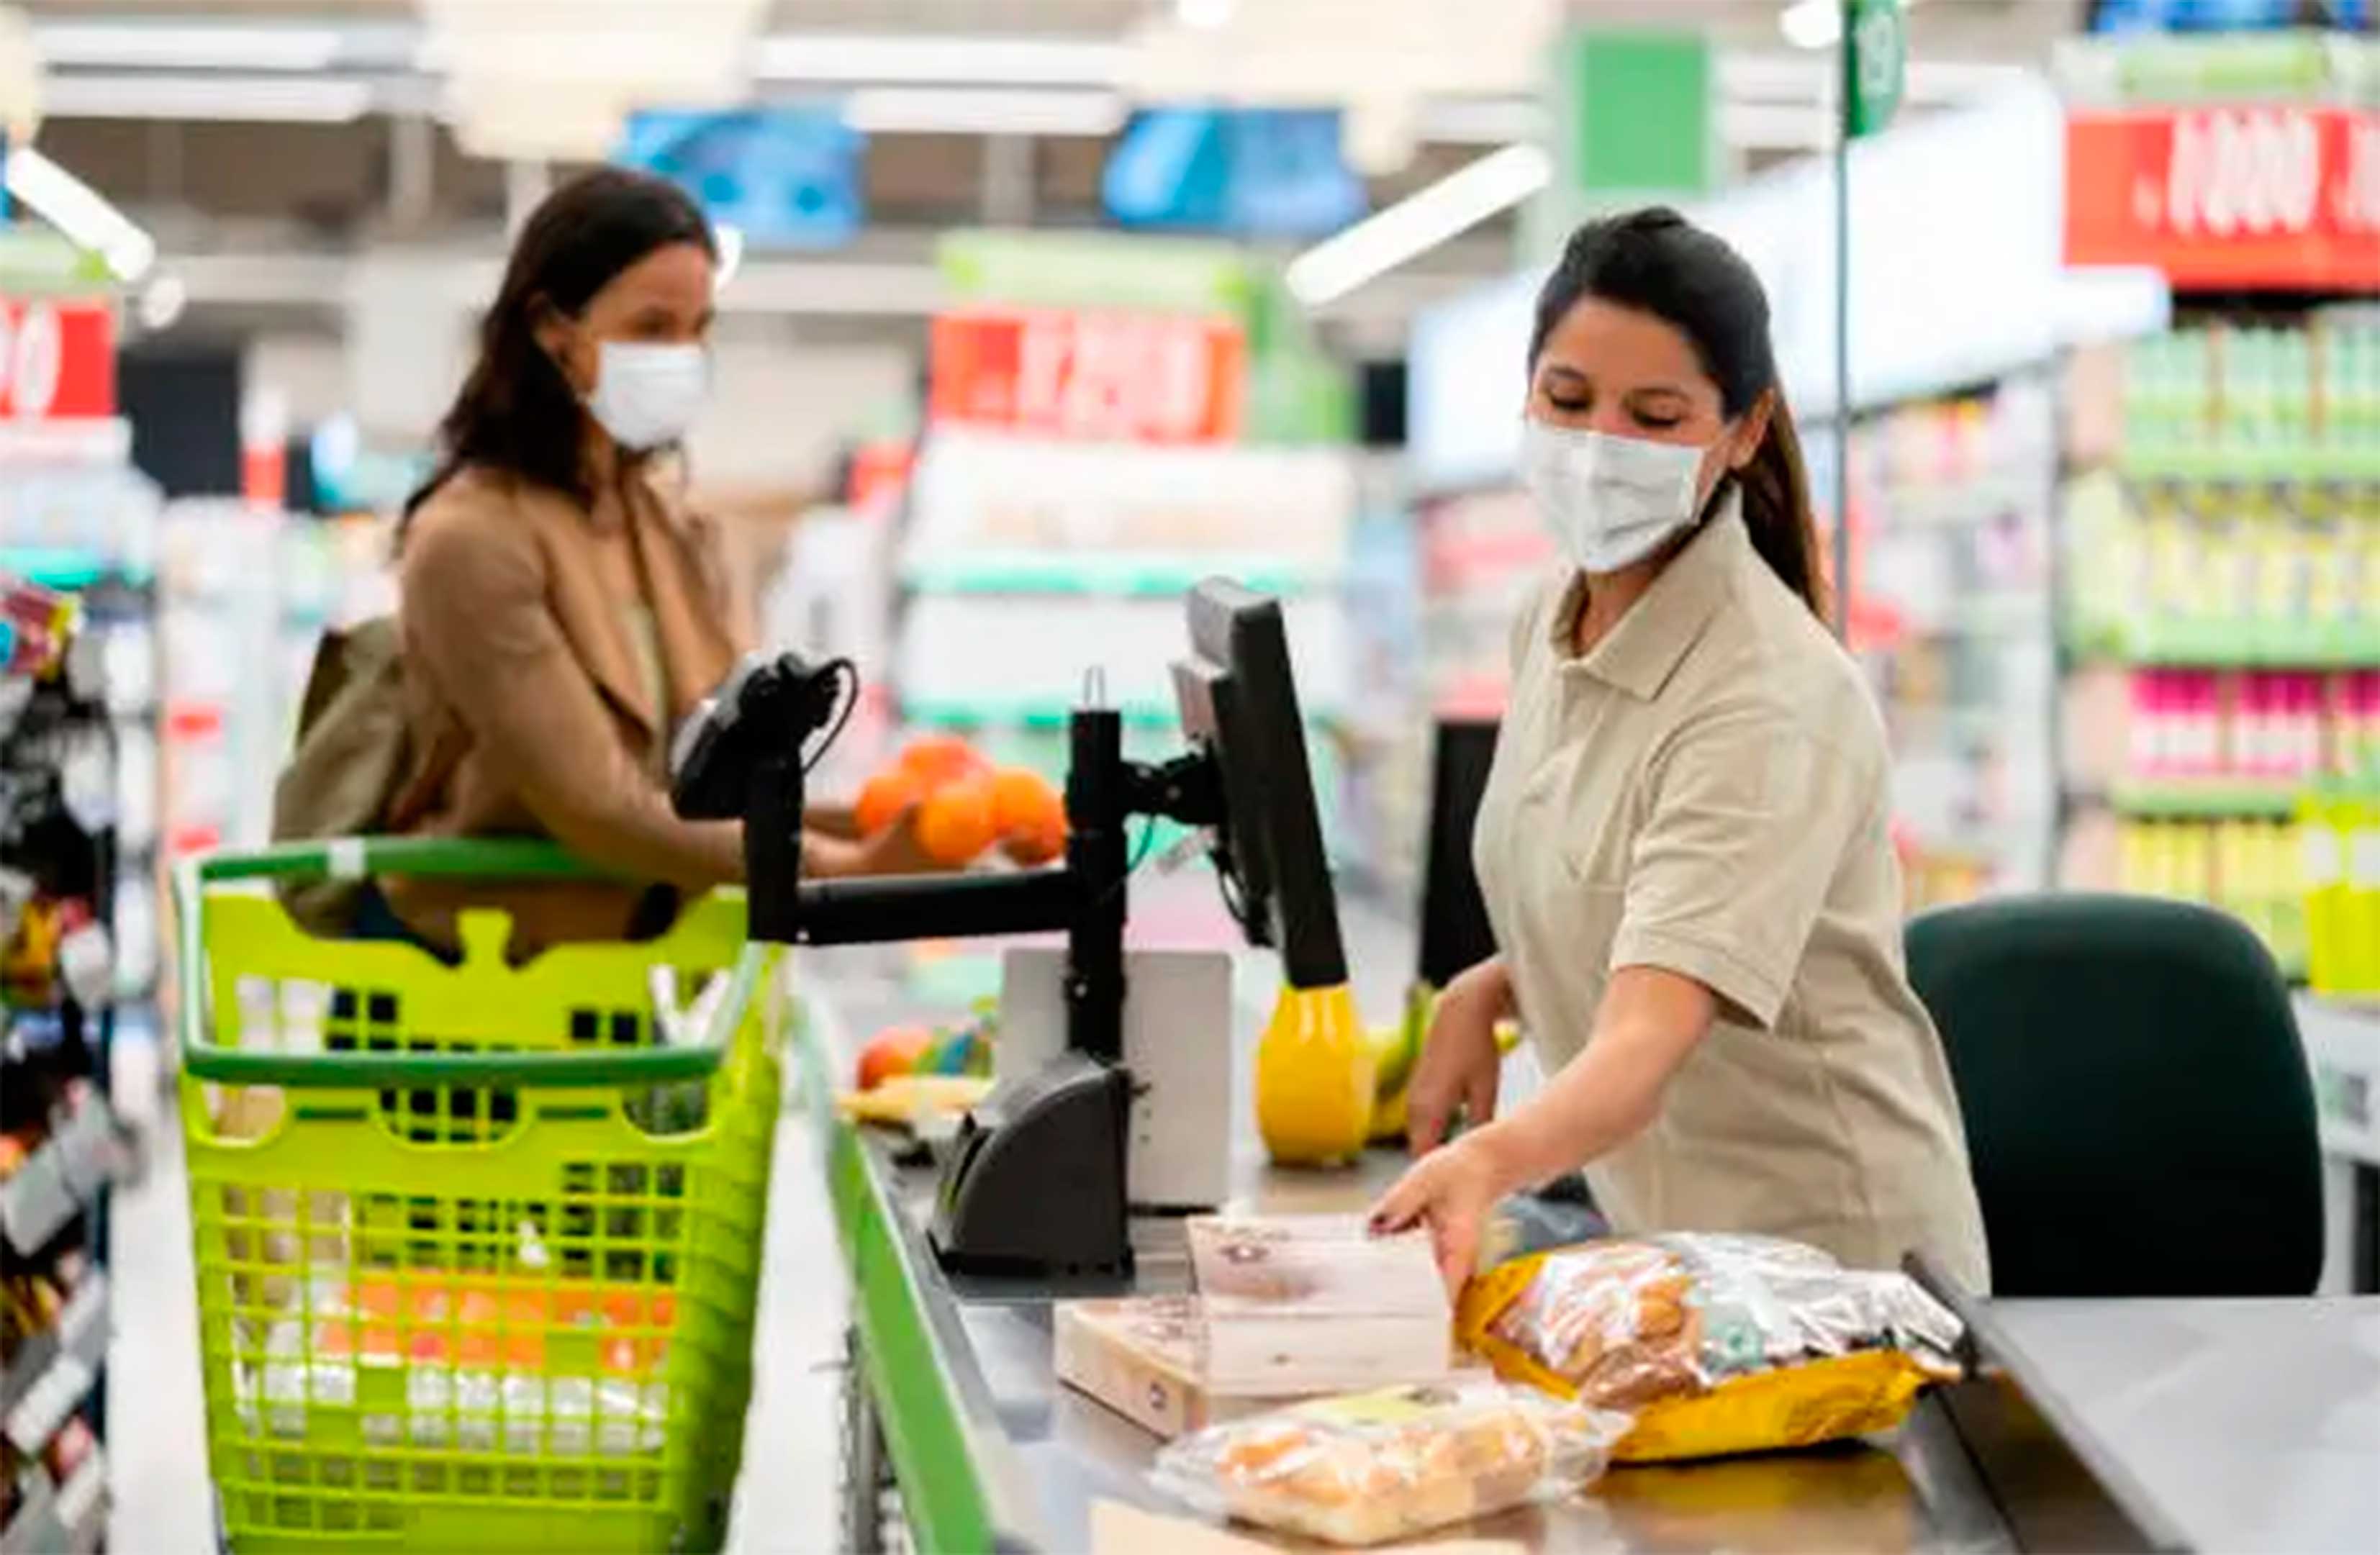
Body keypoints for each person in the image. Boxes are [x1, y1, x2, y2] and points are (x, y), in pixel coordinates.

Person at [1371, 209, 1990, 1296]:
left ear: (1741, 433)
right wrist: (1494, 985)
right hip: (1680, 1251)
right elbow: (1631, 885)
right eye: (1566, 402)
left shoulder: (1766, 695)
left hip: (1837, 1277)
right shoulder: (1550, 618)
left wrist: (1488, 1159)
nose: (1598, 447)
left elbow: (1646, 1041)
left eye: (1653, 418)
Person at [374, 168, 928, 956]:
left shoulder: (667, 524)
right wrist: (838, 865)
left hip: (643, 980)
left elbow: (714, 782)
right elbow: (597, 804)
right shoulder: (470, 540)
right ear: (551, 329)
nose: (682, 355)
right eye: (651, 327)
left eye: (698, 328)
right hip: (489, 995)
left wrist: (893, 817)